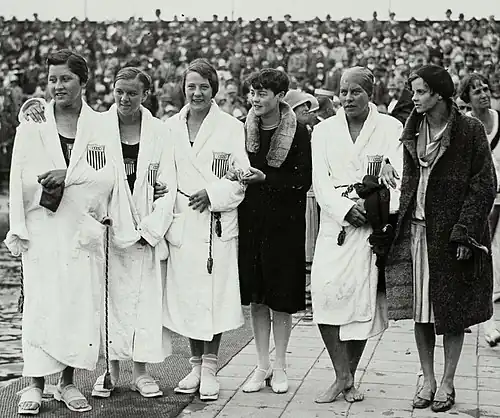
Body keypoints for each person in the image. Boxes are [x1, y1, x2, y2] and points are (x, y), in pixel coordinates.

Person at [19, 67, 178, 397]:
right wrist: (30, 107)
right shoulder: (99, 125)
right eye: (119, 92)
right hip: (108, 226)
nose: (124, 98)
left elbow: (168, 185)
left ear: (145, 95)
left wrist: (152, 228)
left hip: (144, 228)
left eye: (132, 93)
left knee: (145, 302)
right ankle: (109, 371)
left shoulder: (160, 132)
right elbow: (82, 165)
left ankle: (142, 372)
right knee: (105, 303)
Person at [4, 49, 139, 415]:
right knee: (40, 305)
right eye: (52, 80)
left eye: (65, 79)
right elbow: (19, 179)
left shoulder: (101, 126)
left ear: (83, 82)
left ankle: (66, 383)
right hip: (43, 230)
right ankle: (34, 384)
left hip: (83, 231)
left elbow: (109, 177)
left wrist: (70, 175)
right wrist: (19, 228)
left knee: (78, 307)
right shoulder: (32, 124)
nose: (58, 86)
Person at [384, 64, 496, 413]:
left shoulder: (469, 130)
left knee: (452, 312)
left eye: (420, 92)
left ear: (439, 94)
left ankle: (447, 382)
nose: (414, 98)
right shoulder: (413, 128)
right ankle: (428, 380)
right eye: (413, 91)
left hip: (451, 237)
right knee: (421, 313)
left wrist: (465, 233)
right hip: (417, 232)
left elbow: (484, 185)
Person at [311, 66, 403, 404]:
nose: (348, 98)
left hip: (371, 228)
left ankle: (347, 375)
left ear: (370, 93)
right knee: (324, 295)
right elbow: (320, 182)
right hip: (335, 224)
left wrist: (372, 206)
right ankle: (342, 375)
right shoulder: (323, 131)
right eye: (343, 92)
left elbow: (399, 178)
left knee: (362, 302)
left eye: (356, 92)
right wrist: (344, 209)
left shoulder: (391, 128)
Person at [162, 58, 250, 401]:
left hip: (215, 221)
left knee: (214, 296)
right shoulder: (169, 127)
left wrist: (212, 194)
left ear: (214, 89)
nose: (196, 93)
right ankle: (195, 365)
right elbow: (162, 174)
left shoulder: (230, 127)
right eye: (191, 87)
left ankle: (211, 367)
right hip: (183, 219)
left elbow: (241, 178)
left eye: (203, 87)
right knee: (188, 297)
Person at [236, 69, 312, 394]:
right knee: (257, 298)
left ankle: (280, 364)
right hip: (251, 221)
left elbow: (302, 179)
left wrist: (266, 179)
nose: (255, 99)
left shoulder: (299, 131)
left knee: (280, 298)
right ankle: (261, 364)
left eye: (262, 93)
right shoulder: (243, 128)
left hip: (284, 224)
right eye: (253, 92)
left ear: (280, 96)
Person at [459, 73, 500, 347]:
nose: (484, 94)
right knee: (482, 252)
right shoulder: (466, 125)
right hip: (481, 198)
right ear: (467, 98)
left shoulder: (498, 118)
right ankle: (487, 324)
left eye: (486, 89)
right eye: (477, 92)